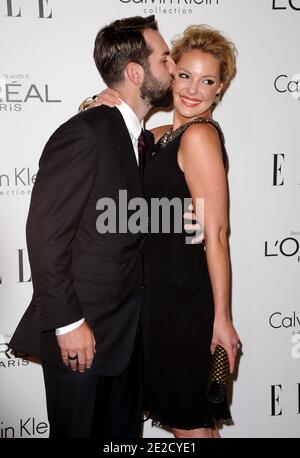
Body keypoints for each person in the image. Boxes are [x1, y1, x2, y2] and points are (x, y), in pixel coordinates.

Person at [9, 15, 176, 439]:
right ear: (136, 73)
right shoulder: (85, 134)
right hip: (82, 337)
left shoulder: (140, 139)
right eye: (166, 58)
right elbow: (45, 236)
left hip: (126, 337)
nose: (173, 68)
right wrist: (68, 325)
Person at [84, 24, 240, 438]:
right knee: (180, 420)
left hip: (184, 301)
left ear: (220, 88)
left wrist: (221, 319)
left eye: (207, 81)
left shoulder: (200, 136)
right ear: (170, 75)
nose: (193, 89)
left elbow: (218, 233)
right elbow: (110, 143)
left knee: (191, 426)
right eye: (185, 75)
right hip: (156, 300)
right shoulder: (158, 137)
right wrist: (96, 102)